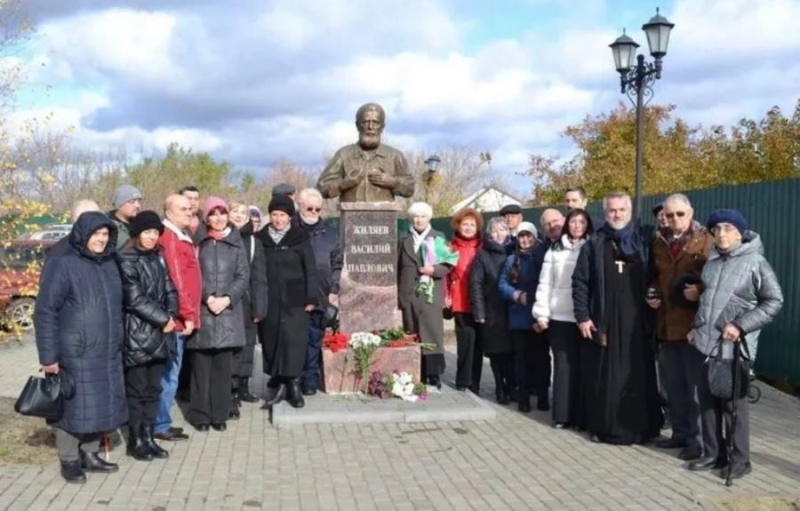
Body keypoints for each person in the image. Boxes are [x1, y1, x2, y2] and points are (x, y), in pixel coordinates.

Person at [687, 209, 783, 479]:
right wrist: (696, 328)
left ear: (740, 232)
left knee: (733, 406)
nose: (721, 234)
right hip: (706, 343)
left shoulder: (756, 263)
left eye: (727, 228)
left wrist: (740, 325)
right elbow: (708, 300)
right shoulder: (713, 262)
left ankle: (740, 460)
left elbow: (774, 302)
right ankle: (713, 454)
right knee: (706, 401)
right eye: (716, 229)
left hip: (733, 346)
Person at [34, 212, 127, 483]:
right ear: (82, 234)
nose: (100, 239)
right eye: (95, 234)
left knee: (100, 405)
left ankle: (90, 453)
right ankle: (70, 460)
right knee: (72, 408)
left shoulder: (109, 263)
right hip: (74, 352)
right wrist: (48, 356)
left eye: (105, 234)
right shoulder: (62, 264)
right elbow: (45, 311)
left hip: (106, 350)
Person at [572, 192, 662, 445]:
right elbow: (580, 282)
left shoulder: (645, 239)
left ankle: (642, 429)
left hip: (637, 322)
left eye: (622, 209)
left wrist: (657, 294)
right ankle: (606, 428)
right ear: (605, 212)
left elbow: (659, 274)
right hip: (605, 321)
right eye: (612, 210)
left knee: (639, 375)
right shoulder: (595, 243)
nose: (617, 214)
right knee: (606, 377)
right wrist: (582, 316)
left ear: (630, 211)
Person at [647, 194, 713, 460]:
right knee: (673, 386)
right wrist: (651, 292)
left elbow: (718, 279)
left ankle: (697, 442)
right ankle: (679, 434)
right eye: (670, 215)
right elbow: (654, 277)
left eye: (680, 214)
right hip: (665, 325)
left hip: (692, 328)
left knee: (694, 389)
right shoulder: (660, 242)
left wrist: (700, 290)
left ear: (691, 212)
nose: (675, 219)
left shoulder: (706, 240)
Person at [117, 211, 178, 461]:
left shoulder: (157, 257)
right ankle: (136, 440)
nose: (152, 236)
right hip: (137, 334)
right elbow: (134, 298)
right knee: (137, 390)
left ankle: (148, 436)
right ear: (137, 234)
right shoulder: (125, 258)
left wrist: (172, 316)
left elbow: (169, 288)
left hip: (161, 333)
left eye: (155, 232)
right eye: (147, 232)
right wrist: (163, 319)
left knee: (154, 389)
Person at [189, 197, 250, 432]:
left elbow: (243, 276)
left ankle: (219, 414)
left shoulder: (236, 243)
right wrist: (207, 298)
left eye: (222, 213)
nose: (218, 218)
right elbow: (192, 275)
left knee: (223, 370)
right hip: (204, 311)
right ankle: (200, 415)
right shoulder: (198, 243)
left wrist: (226, 298)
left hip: (227, 312)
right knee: (201, 369)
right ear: (206, 217)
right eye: (213, 214)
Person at [257, 195, 320, 408]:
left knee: (294, 342)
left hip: (296, 299)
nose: (278, 219)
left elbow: (310, 268)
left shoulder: (299, 237)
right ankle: (278, 383)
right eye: (274, 214)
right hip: (271, 299)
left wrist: (312, 297)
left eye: (282, 215)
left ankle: (293, 385)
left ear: (289, 216)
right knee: (273, 340)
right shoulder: (261, 238)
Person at [533, 209, 593, 429]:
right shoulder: (554, 251)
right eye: (573, 222)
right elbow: (545, 283)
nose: (577, 226)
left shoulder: (593, 247)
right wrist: (542, 313)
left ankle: (580, 416)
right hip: (560, 316)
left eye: (582, 222)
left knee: (584, 367)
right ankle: (562, 415)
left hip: (585, 317)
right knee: (563, 366)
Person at [154, 195, 201, 442]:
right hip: (177, 320)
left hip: (180, 317)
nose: (188, 212)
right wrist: (188, 314)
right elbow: (177, 281)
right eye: (183, 209)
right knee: (170, 373)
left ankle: (161, 421)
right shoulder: (170, 239)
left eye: (190, 208)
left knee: (171, 372)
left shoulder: (181, 236)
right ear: (169, 212)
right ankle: (160, 424)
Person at [398, 202, 453, 389]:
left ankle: (434, 373)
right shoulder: (403, 238)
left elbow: (448, 264)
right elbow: (397, 268)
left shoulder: (438, 237)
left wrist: (433, 269)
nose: (419, 219)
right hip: (409, 294)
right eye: (415, 216)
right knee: (412, 333)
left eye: (422, 216)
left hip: (431, 294)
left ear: (428, 218)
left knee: (432, 333)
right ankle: (416, 371)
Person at [295, 188, 342, 396]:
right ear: (300, 205)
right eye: (309, 207)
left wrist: (334, 289)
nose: (313, 211)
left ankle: (310, 379)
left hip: (322, 295)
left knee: (314, 339)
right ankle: (293, 379)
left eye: (317, 208)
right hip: (295, 295)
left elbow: (337, 263)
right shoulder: (291, 230)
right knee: (295, 340)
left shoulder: (330, 232)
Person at [317, 103, 415, 203]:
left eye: (375, 122)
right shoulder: (343, 154)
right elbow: (322, 187)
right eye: (365, 122)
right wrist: (344, 184)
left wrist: (394, 183)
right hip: (351, 215)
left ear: (382, 126)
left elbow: (410, 189)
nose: (370, 127)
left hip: (383, 216)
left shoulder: (395, 156)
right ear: (357, 125)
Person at [499, 221, 550, 413]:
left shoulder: (543, 257)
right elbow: (502, 284)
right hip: (519, 318)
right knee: (521, 361)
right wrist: (516, 295)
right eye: (521, 236)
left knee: (542, 359)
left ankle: (543, 396)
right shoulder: (512, 260)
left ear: (535, 237)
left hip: (539, 316)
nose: (525, 240)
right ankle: (524, 398)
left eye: (529, 236)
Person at [227, 202, 269, 416]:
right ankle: (230, 392)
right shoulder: (221, 237)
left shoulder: (253, 242)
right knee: (230, 349)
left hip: (247, 303)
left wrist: (259, 308)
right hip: (226, 304)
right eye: (235, 211)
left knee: (247, 347)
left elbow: (259, 278)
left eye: (243, 213)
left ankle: (243, 386)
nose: (239, 216)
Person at [469, 217, 515, 404]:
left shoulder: (515, 250)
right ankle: (499, 387)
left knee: (512, 353)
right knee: (496, 353)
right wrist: (479, 312)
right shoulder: (483, 255)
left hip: (512, 310)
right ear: (489, 234)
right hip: (492, 311)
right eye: (494, 231)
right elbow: (476, 285)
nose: (498, 234)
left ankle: (511, 386)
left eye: (502, 230)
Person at [446, 208, 483, 392]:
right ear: (458, 226)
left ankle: (475, 382)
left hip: (480, 304)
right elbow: (445, 275)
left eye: (472, 225)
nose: (468, 228)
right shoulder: (450, 247)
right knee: (465, 342)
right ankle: (463, 381)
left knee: (479, 345)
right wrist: (446, 295)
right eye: (465, 224)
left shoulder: (483, 246)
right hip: (460, 301)